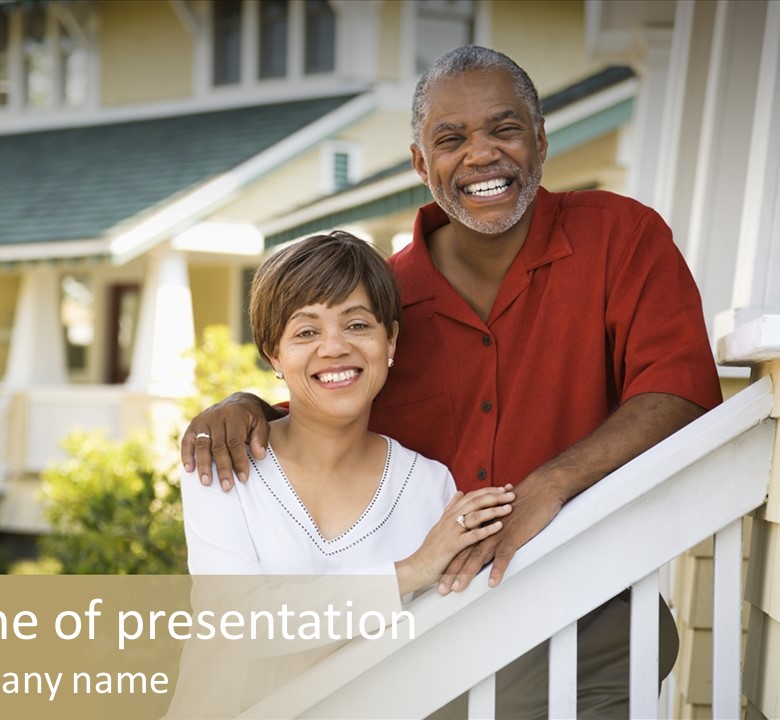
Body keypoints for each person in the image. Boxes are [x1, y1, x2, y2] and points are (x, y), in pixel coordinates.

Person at [181, 46, 723, 718]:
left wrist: (549, 486)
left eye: (504, 129)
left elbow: (683, 387)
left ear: (541, 139)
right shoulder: (386, 296)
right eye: (451, 139)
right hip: (426, 626)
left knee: (628, 637)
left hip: (564, 593)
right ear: (419, 163)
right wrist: (250, 406)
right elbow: (332, 392)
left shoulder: (620, 236)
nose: (481, 155)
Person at [170, 231, 515, 718]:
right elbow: (245, 623)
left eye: (357, 325)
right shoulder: (223, 465)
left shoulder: (429, 488)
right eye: (306, 331)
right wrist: (411, 570)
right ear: (273, 352)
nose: (334, 348)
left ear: (389, 339)